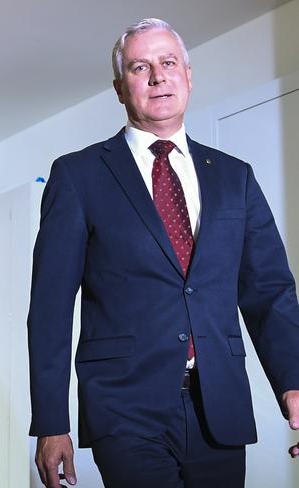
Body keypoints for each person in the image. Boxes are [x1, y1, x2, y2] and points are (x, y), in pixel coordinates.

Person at [27, 17, 299, 488]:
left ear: (188, 76)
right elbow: (50, 308)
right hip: (125, 408)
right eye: (140, 66)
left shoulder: (235, 177)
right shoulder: (79, 176)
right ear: (119, 88)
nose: (158, 76)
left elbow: (269, 292)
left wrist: (293, 381)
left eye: (168, 62)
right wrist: (51, 422)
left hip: (221, 406)